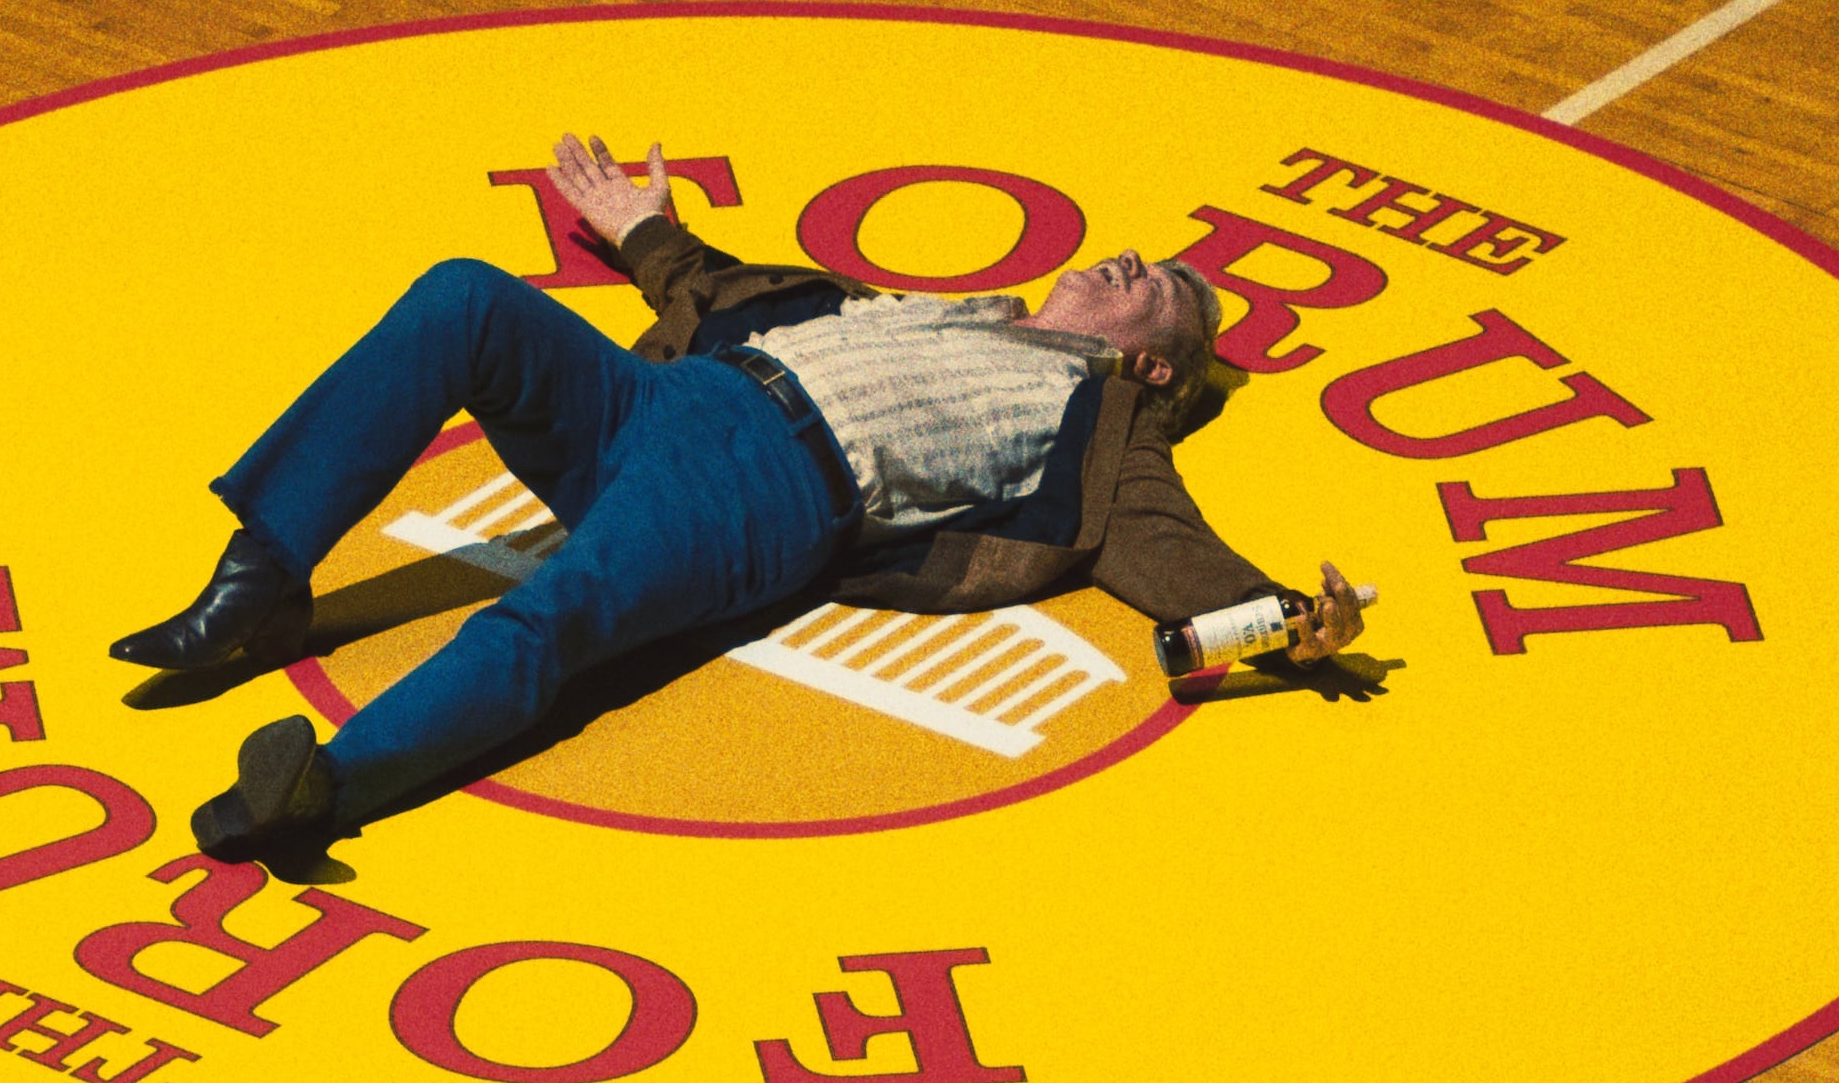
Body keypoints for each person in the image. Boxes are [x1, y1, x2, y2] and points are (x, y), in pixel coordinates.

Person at [112, 134, 1369, 876]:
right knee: (463, 298)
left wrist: (1284, 619)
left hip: (764, 488)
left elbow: (1169, 548)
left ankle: (323, 791)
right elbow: (730, 291)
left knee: (550, 620)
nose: (1132, 257)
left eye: (1159, 287)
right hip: (663, 402)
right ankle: (262, 579)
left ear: (1155, 364)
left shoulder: (1106, 424)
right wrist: (644, 230)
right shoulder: (953, 309)